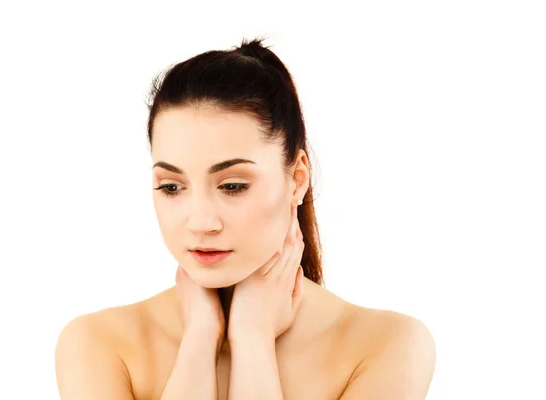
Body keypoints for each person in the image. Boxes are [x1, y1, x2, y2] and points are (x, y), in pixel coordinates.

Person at [54, 37, 436, 400]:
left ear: (296, 179)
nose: (201, 222)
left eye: (233, 186)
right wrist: (200, 340)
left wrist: (253, 340)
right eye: (172, 187)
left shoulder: (387, 346)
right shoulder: (97, 344)